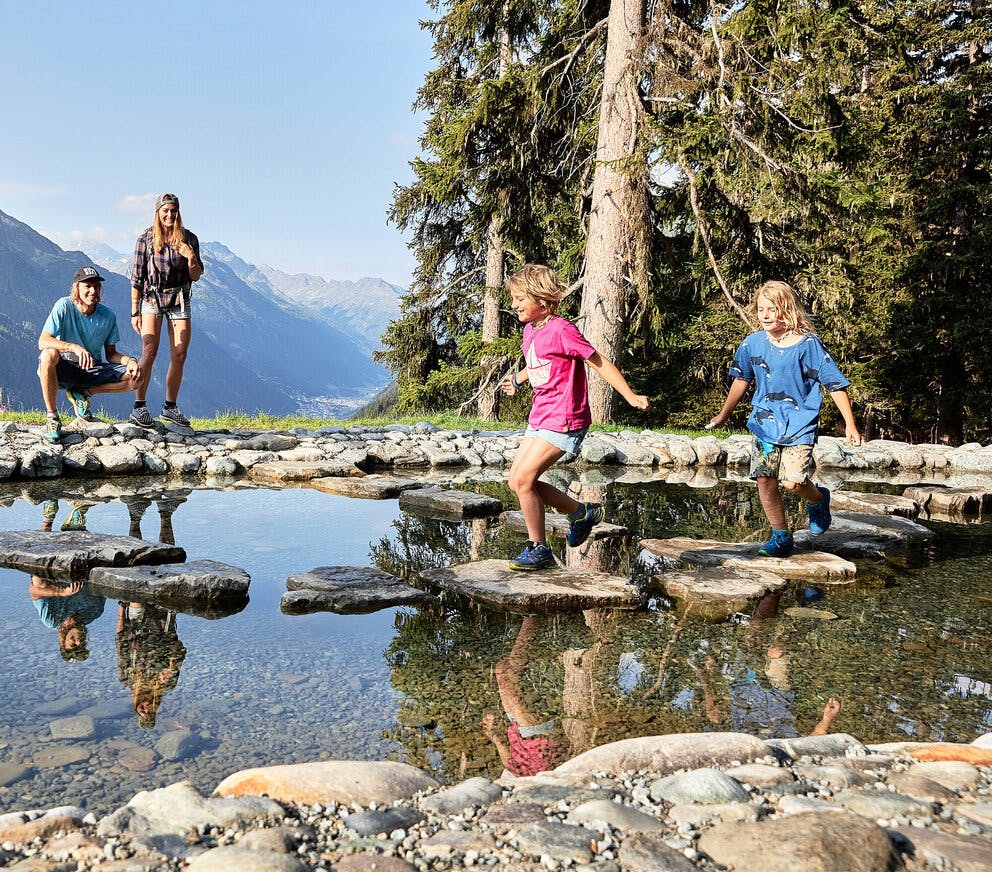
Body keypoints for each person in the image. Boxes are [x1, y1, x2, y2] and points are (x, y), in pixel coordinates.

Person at [499, 265, 650, 570]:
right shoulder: (531, 330)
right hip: (541, 414)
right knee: (517, 482)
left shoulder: (562, 329)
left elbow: (598, 361)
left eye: (519, 298)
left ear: (541, 300)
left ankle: (538, 548)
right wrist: (518, 380)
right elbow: (540, 363)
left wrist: (630, 396)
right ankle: (582, 513)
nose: (514, 305)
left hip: (565, 417)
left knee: (524, 479)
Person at [707, 280, 862, 557]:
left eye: (772, 309)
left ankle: (818, 499)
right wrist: (723, 414)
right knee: (765, 480)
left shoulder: (807, 344)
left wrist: (850, 423)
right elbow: (741, 380)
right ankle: (780, 536)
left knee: (792, 482)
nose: (765, 315)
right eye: (761, 309)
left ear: (787, 310)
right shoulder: (752, 344)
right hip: (765, 425)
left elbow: (835, 384)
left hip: (799, 425)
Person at [37, 267, 142, 443]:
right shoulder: (64, 306)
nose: (93, 291)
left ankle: (83, 392)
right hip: (64, 368)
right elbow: (43, 341)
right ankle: (52, 417)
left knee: (137, 378)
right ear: (77, 288)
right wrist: (72, 347)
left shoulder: (107, 316)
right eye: (87, 286)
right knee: (48, 355)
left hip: (91, 368)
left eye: (97, 286)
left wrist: (130, 361)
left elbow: (112, 354)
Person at [129, 193, 203, 428]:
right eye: (165, 211)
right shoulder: (146, 239)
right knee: (149, 350)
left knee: (180, 353)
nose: (169, 215)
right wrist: (134, 311)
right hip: (152, 298)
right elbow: (136, 277)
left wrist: (191, 258)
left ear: (178, 213)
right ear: (158, 213)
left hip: (179, 298)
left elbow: (196, 275)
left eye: (173, 211)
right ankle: (139, 406)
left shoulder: (189, 238)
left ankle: (169, 407)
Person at [29, 576, 106, 662]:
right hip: (88, 569)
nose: (79, 642)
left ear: (62, 642)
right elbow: (104, 585)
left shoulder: (52, 620)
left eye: (73, 645)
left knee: (40, 585)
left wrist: (62, 592)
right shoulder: (95, 611)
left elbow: (33, 590)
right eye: (82, 646)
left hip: (56, 574)